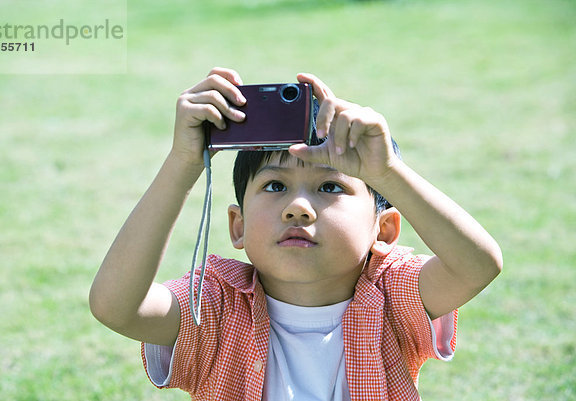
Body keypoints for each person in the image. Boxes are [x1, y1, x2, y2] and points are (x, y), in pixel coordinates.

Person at [89, 67, 503, 400]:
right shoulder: (214, 306)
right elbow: (117, 307)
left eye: (329, 187)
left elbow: (478, 265)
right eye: (274, 186)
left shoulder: (393, 295)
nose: (297, 207)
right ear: (238, 226)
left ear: (385, 229)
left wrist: (386, 172)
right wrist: (183, 161)